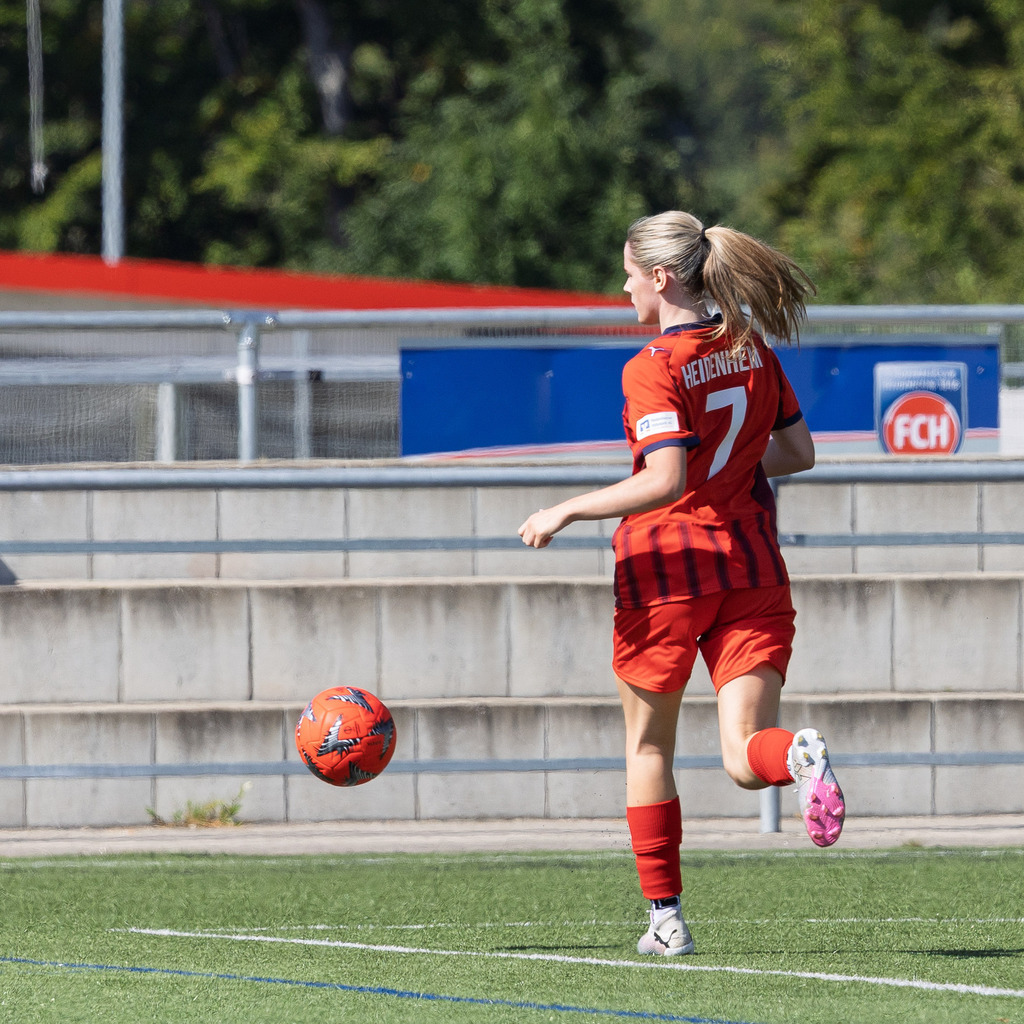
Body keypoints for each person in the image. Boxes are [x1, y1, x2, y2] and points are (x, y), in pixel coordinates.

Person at [518, 211, 845, 957]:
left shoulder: (653, 365)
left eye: (629, 273)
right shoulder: (750, 347)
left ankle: (665, 920)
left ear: (662, 277)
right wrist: (729, 471)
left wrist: (566, 508)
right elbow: (798, 453)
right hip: (752, 566)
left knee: (648, 748)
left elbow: (664, 481)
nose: (624, 287)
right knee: (745, 755)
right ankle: (797, 755)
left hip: (666, 572)